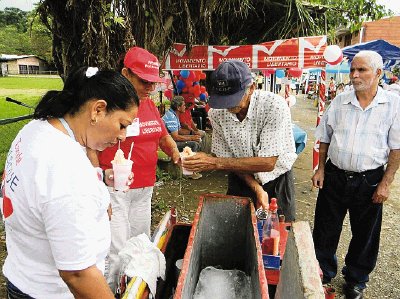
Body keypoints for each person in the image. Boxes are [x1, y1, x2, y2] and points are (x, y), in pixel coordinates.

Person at [1, 67, 139, 298]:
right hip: (51, 291)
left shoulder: (36, 129)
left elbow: (40, 190)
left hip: (24, 274)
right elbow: (77, 274)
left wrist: (99, 181)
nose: (123, 137)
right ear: (98, 109)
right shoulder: (67, 170)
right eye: (122, 125)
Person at [86, 47, 181, 294]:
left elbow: (161, 134)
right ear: (126, 73)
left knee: (139, 243)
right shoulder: (107, 104)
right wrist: (98, 180)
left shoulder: (148, 105)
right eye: (144, 81)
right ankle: (109, 292)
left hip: (144, 188)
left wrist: (175, 152)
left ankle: (132, 289)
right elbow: (89, 144)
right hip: (115, 189)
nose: (150, 87)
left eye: (154, 82)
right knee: (115, 249)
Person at [312, 50, 400, 299]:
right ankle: (322, 271)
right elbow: (325, 136)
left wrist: (386, 183)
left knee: (365, 233)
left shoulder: (392, 105)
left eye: (361, 70)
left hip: (369, 179)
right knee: (325, 228)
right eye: (352, 69)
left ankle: (357, 279)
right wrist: (320, 169)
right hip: (335, 175)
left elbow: (396, 147)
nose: (354, 75)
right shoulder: (340, 100)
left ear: (379, 73)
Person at [181, 60, 297, 219]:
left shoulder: (273, 105)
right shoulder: (217, 113)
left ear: (251, 88)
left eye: (233, 98)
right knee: (238, 228)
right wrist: (256, 188)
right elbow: (227, 158)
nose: (228, 106)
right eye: (223, 99)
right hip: (242, 178)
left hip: (277, 180)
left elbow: (268, 163)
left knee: (276, 233)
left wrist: (214, 162)